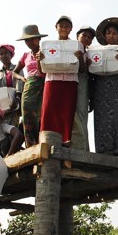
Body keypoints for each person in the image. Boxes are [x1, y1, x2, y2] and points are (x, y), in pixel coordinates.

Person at [90, 17, 118, 156]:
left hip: (117, 90)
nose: (111, 35)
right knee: (100, 120)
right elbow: (91, 68)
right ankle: (101, 151)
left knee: (116, 119)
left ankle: (115, 152)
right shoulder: (95, 51)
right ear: (104, 35)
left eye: (115, 33)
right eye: (109, 33)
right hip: (100, 90)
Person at [39, 16, 82, 146]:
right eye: (61, 25)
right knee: (48, 112)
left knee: (66, 114)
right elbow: (41, 71)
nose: (64, 28)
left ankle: (65, 144)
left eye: (67, 26)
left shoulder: (77, 45)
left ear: (71, 29)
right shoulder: (47, 46)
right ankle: (46, 143)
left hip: (70, 83)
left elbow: (83, 69)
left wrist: (80, 58)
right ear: (56, 27)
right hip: (52, 82)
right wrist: (38, 59)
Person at [14, 25, 47, 147]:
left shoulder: (46, 52)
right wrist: (22, 78)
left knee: (43, 115)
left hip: (45, 84)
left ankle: (43, 144)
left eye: (32, 39)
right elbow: (14, 72)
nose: (30, 42)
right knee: (27, 116)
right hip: (29, 86)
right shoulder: (25, 56)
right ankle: (30, 145)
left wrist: (40, 59)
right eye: (27, 40)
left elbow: (44, 71)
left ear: (39, 39)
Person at [0, 44, 24, 128]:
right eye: (1, 54)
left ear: (11, 55)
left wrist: (17, 99)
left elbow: (20, 84)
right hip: (0, 107)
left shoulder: (17, 68)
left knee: (13, 127)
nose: (4, 56)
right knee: (1, 129)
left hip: (14, 104)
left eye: (6, 53)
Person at [71, 26, 96, 151]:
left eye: (89, 37)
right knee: (70, 114)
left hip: (83, 85)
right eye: (84, 35)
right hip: (69, 83)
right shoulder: (69, 48)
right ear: (77, 36)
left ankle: (82, 148)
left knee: (81, 115)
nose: (86, 38)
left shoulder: (91, 54)